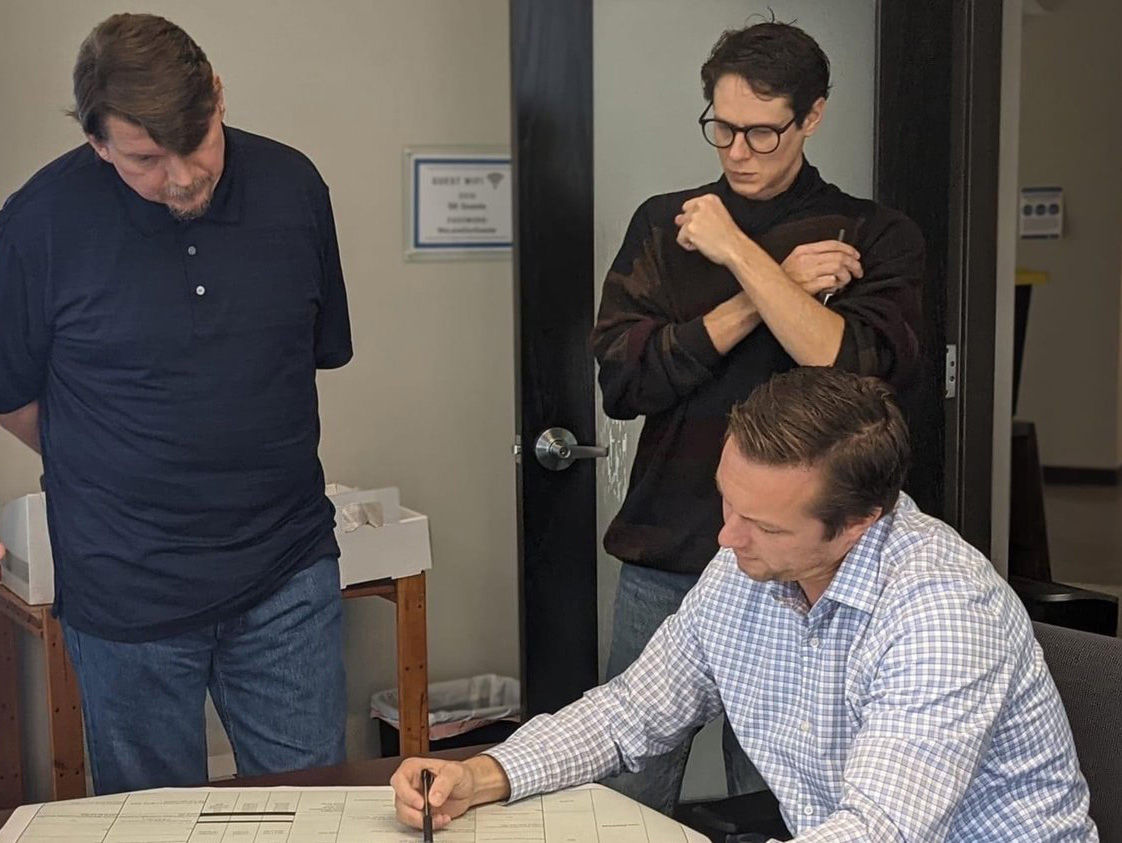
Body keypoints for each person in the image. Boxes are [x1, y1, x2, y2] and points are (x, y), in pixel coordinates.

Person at [392, 367, 1098, 842]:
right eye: (728, 502)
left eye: (764, 524)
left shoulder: (941, 613)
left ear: (859, 522)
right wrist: (484, 774)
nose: (727, 538)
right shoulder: (747, 568)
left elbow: (876, 828)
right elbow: (632, 710)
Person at [0, 13, 352, 794]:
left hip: (285, 569)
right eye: (146, 160)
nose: (184, 177)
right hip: (125, 586)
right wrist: (110, 458)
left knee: (316, 808)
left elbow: (305, 358)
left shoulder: (294, 187)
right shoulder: (38, 224)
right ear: (97, 142)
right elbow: (12, 394)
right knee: (150, 820)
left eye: (198, 142)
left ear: (219, 97)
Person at [589, 20, 927, 813]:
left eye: (762, 131)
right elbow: (623, 379)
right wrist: (770, 288)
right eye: (722, 127)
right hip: (668, 548)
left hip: (810, 567)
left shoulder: (874, 234)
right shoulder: (664, 225)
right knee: (626, 787)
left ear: (812, 117)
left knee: (782, 793)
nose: (737, 151)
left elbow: (855, 370)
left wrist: (739, 251)